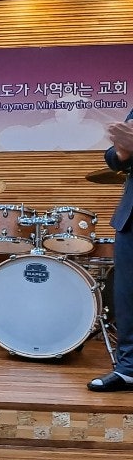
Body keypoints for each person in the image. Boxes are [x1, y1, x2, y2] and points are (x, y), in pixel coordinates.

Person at [89, 111, 133, 391]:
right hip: (131, 217)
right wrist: (122, 150)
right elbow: (113, 157)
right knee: (128, 296)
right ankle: (129, 369)